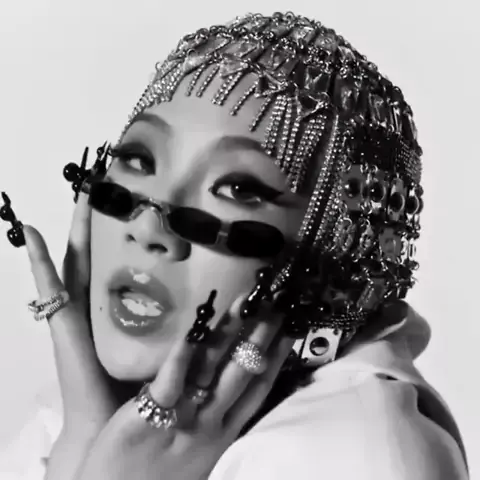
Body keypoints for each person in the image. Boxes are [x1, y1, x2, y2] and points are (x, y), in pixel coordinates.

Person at [0, 11, 470, 480]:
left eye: (237, 190)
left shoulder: (361, 454)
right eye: (138, 160)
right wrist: (84, 435)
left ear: (339, 248)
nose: (146, 230)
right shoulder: (68, 419)